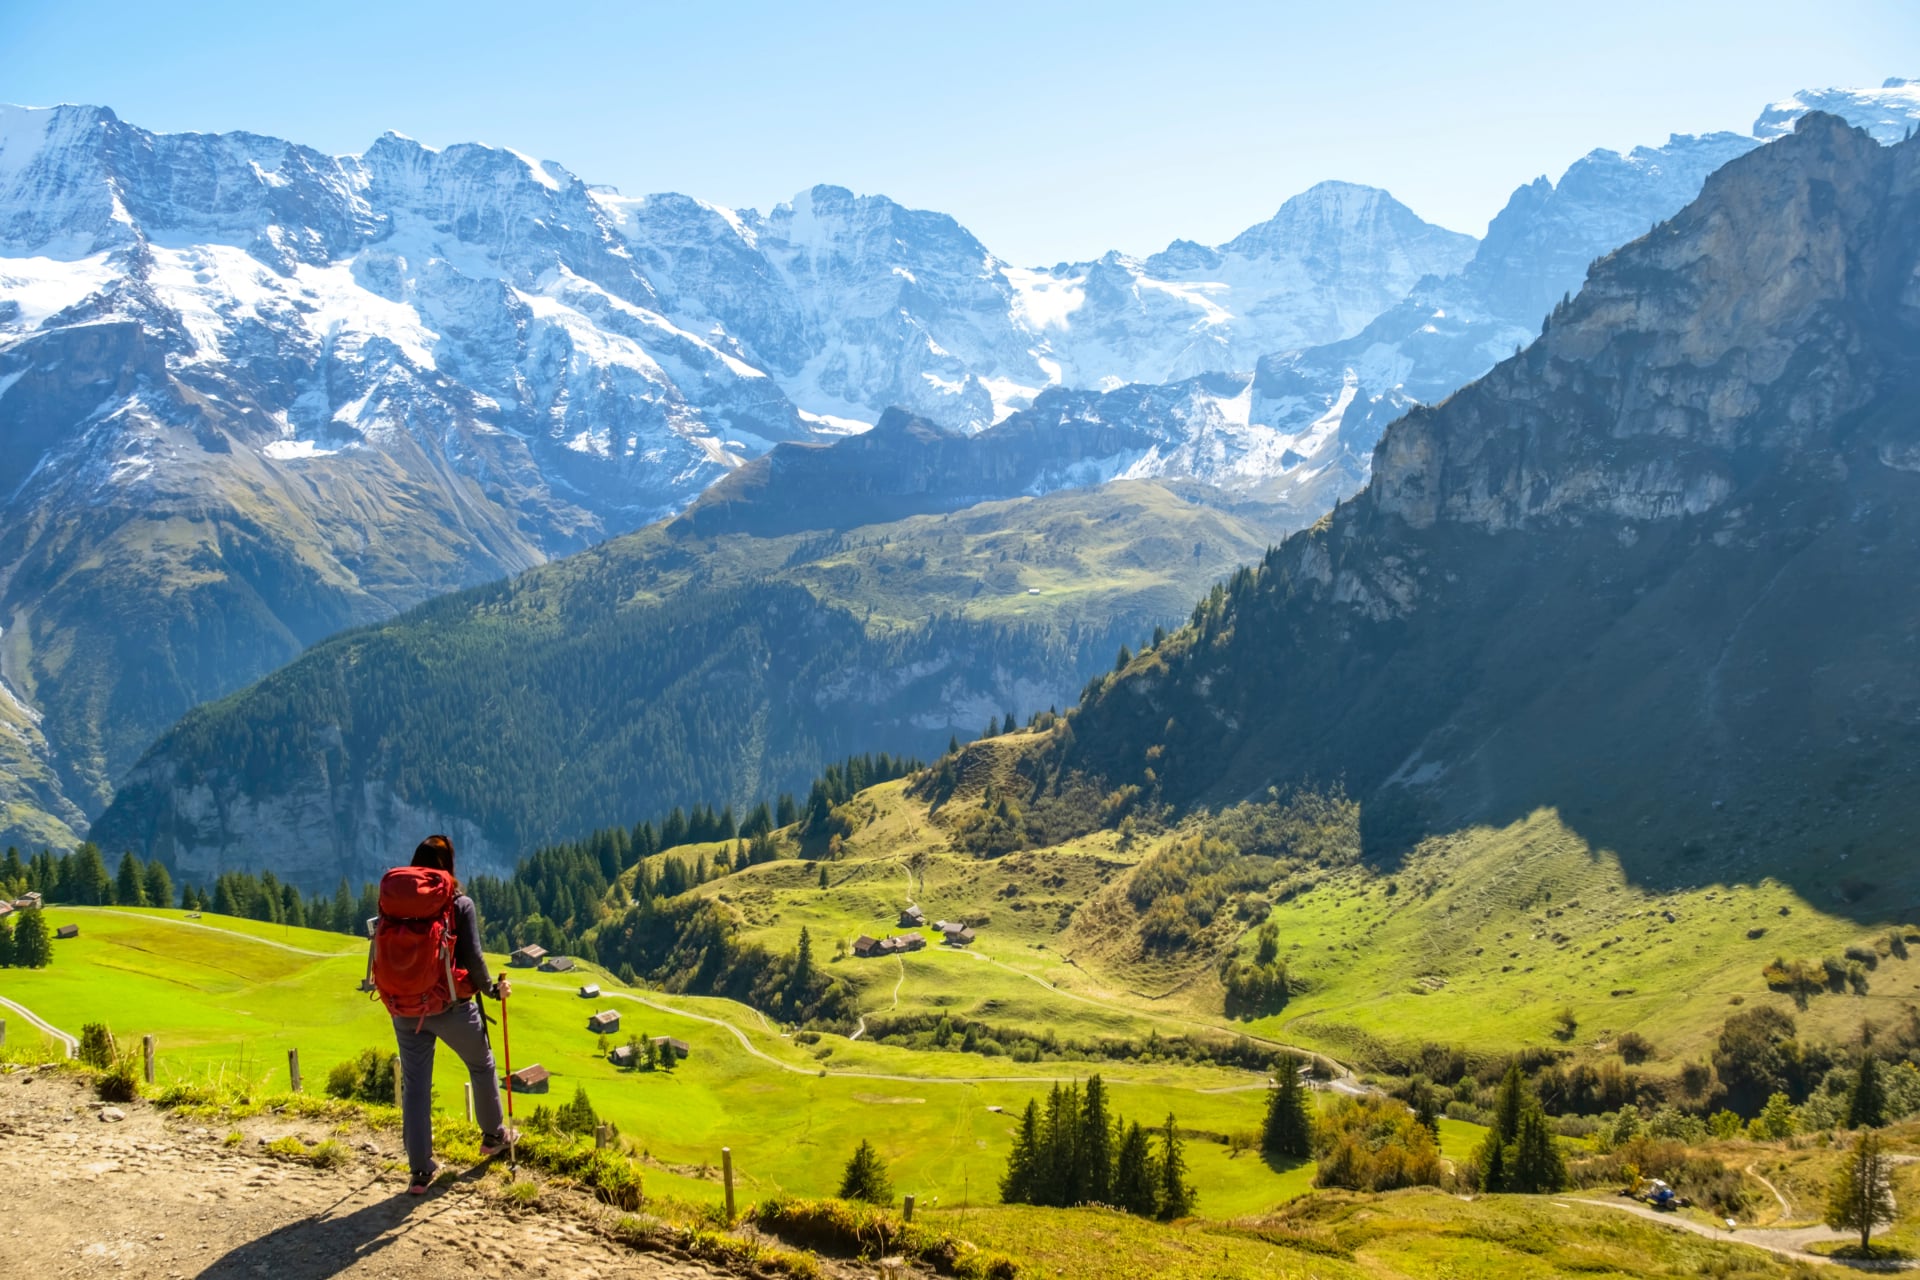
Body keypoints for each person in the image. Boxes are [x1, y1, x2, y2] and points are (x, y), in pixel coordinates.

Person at [391, 834, 516, 1194]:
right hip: (450, 1006)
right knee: (481, 1064)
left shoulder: (397, 902)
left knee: (415, 1085)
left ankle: (419, 1171)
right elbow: (474, 959)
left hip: (404, 1007)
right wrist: (492, 990)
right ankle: (494, 1137)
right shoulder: (459, 903)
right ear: (449, 866)